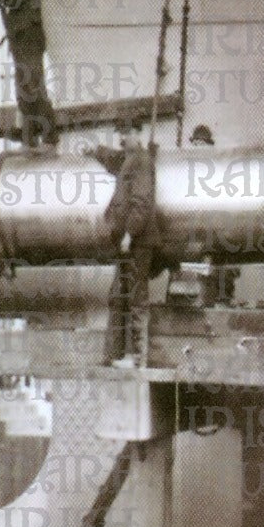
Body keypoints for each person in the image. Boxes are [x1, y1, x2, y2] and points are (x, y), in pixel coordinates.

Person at [87, 128, 160, 363]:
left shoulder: (142, 161)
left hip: (138, 241)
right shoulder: (128, 159)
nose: (121, 137)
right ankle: (113, 356)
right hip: (127, 242)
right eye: (118, 133)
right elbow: (113, 159)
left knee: (136, 297)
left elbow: (142, 201)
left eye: (125, 133)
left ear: (138, 133)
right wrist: (94, 151)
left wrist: (130, 233)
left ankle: (139, 358)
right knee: (118, 295)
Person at [0, 0, 59, 150]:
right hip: (19, 40)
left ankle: (50, 137)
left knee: (34, 86)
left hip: (29, 38)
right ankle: (29, 139)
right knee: (23, 90)